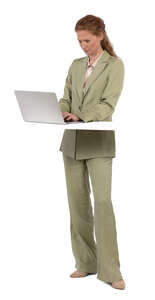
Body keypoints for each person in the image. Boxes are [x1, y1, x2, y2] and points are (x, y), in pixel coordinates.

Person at [58, 14, 125, 290]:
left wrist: (80, 116)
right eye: (79, 41)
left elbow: (108, 106)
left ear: (100, 36)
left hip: (97, 140)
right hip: (72, 141)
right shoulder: (75, 66)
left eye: (87, 40)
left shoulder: (114, 65)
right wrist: (62, 110)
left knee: (103, 204)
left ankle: (111, 271)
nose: (83, 46)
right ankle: (85, 263)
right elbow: (66, 96)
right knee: (77, 206)